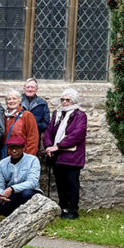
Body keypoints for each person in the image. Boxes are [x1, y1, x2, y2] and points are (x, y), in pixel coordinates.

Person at [43, 88, 88, 219]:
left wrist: (58, 146)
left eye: (67, 100)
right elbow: (49, 132)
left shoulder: (80, 116)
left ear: (73, 101)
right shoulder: (57, 114)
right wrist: (48, 146)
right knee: (60, 183)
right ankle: (62, 207)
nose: (64, 102)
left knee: (72, 183)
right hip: (58, 156)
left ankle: (73, 209)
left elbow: (77, 134)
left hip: (72, 156)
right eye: (62, 99)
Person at [0, 134, 41, 216]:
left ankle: (27, 217)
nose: (14, 151)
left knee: (26, 194)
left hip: (30, 191)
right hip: (12, 195)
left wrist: (11, 189)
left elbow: (32, 182)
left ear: (23, 148)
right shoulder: (3, 163)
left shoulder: (33, 160)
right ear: (7, 149)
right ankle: (12, 218)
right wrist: (1, 195)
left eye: (17, 148)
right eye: (11, 148)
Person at [2, 88, 40, 158]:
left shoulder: (27, 115)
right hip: (6, 156)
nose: (11, 101)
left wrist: (27, 157)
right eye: (9, 99)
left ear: (19, 101)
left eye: (14, 99)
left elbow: (33, 139)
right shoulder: (3, 116)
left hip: (22, 156)